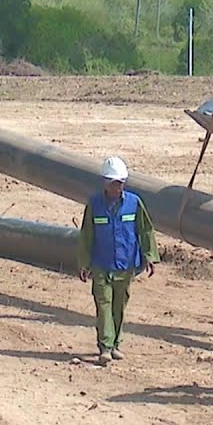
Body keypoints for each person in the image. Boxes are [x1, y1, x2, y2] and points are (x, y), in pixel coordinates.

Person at [76, 156, 160, 365]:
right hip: (101, 264)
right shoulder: (95, 205)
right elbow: (87, 235)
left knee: (118, 306)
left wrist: (150, 256)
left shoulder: (134, 203)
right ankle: (105, 347)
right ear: (105, 181)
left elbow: (145, 230)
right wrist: (84, 263)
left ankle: (115, 345)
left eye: (121, 183)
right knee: (103, 304)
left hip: (126, 264)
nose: (118, 187)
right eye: (114, 183)